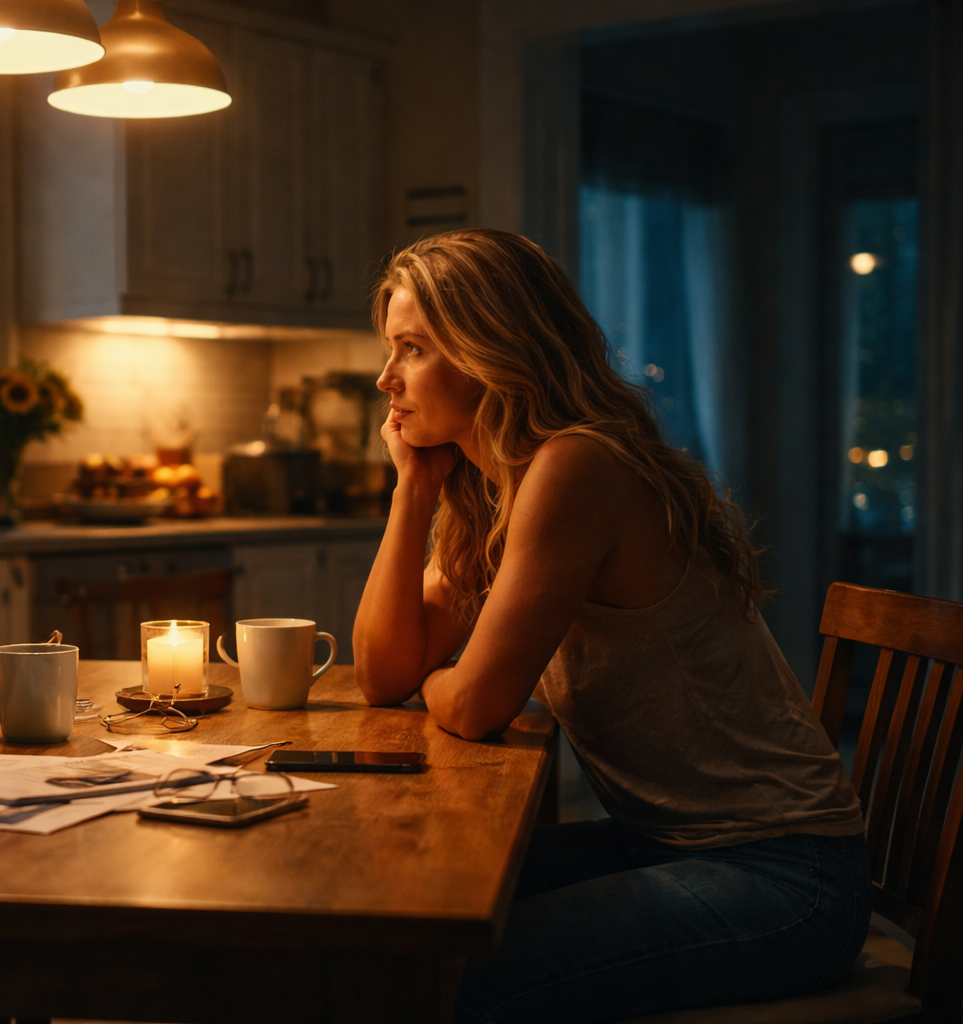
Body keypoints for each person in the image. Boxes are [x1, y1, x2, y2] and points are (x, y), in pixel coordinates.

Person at [352, 229, 869, 1022]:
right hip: (661, 843)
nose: (387, 378)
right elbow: (383, 676)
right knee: (399, 919)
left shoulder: (575, 466)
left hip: (781, 877)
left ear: (494, 347)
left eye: (414, 348)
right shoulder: (495, 488)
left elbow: (471, 705)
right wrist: (411, 495)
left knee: (443, 979)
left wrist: (442, 676)